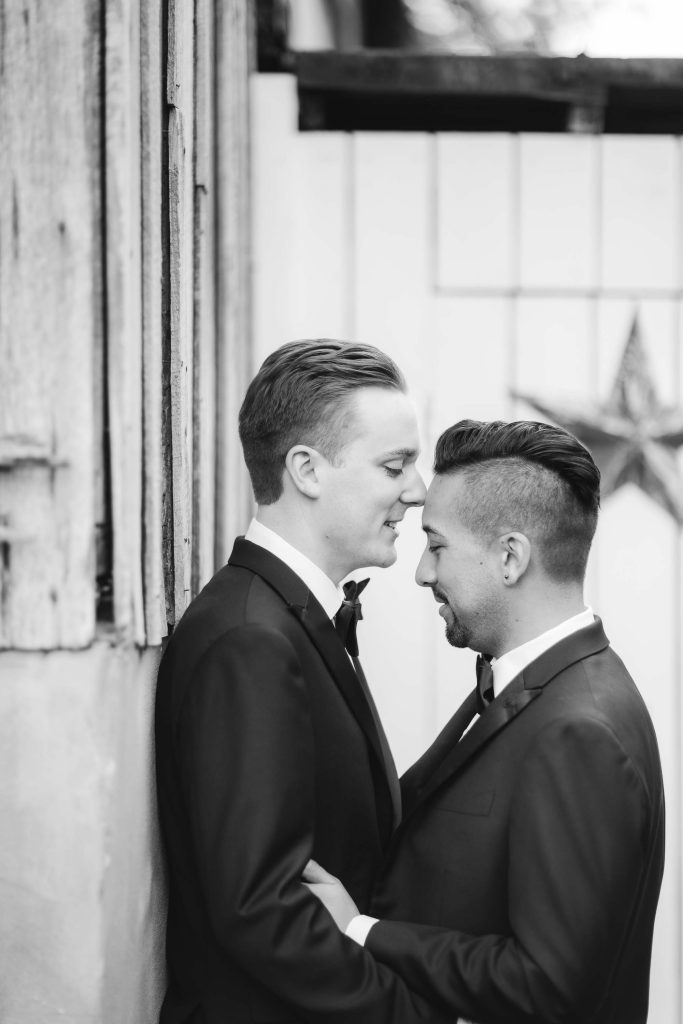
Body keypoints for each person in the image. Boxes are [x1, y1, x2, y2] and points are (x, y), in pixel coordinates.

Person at [305, 418, 665, 1024]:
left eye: (437, 545)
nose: (422, 572)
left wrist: (361, 931)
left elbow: (547, 987)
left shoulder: (580, 731)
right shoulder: (536, 689)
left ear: (510, 557)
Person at [154, 339, 451, 1024]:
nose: (417, 491)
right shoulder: (251, 639)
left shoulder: (282, 619)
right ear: (307, 470)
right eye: (395, 465)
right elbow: (261, 909)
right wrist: (405, 1013)